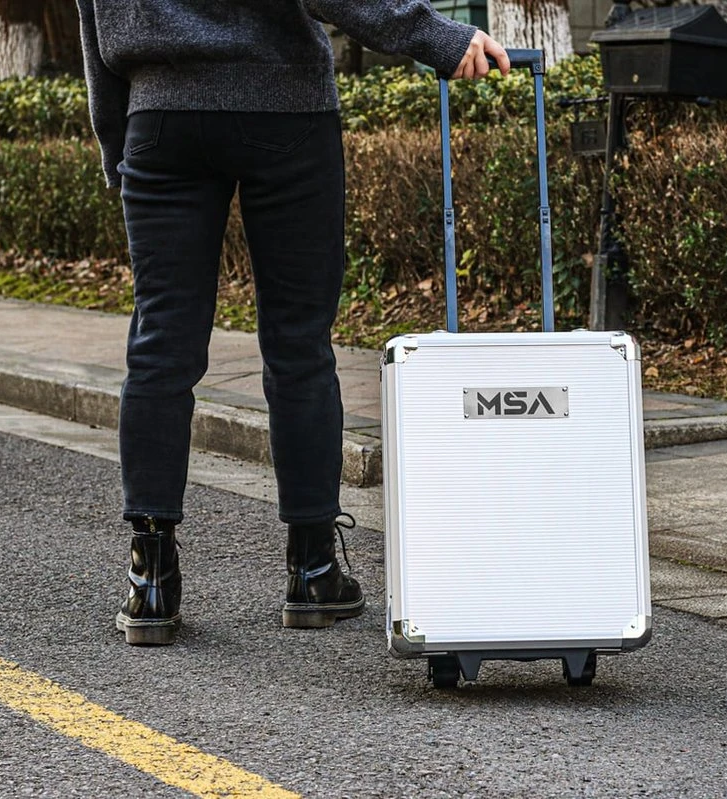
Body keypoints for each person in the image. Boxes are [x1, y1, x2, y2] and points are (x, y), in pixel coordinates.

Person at [76, 1, 510, 645]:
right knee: (299, 343)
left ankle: (151, 580)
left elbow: (93, 19)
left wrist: (120, 141)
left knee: (160, 343)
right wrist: (436, 37)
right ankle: (312, 571)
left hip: (160, 119)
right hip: (285, 109)